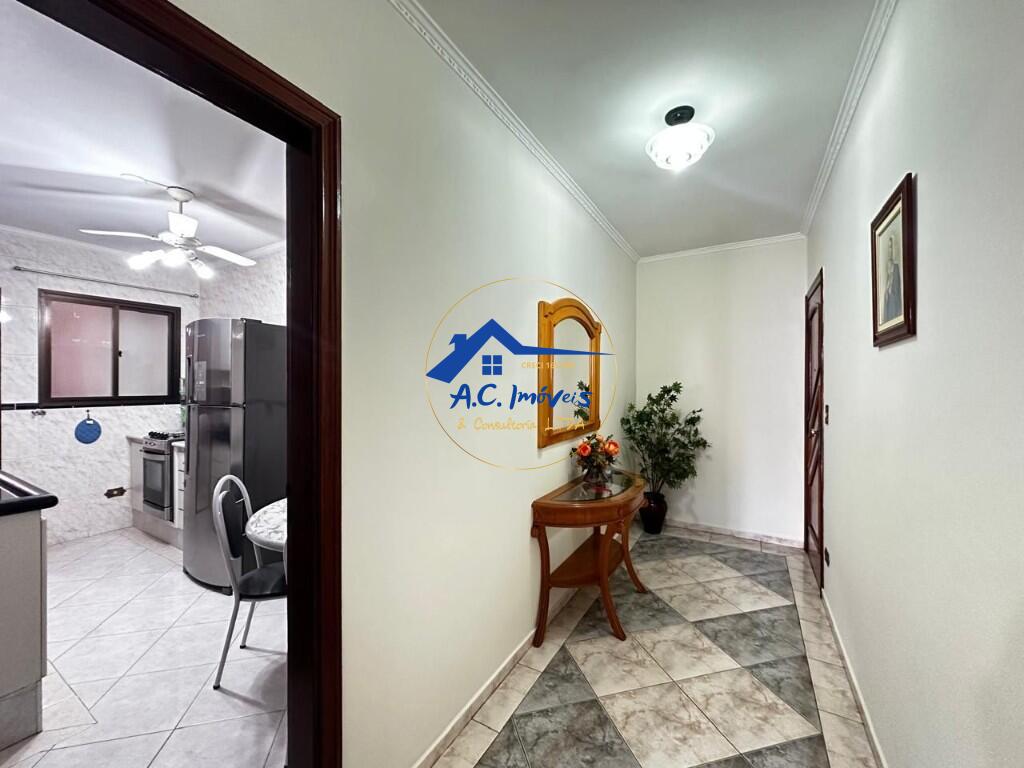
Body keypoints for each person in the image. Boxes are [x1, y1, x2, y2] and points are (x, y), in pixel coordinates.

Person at [882, 233, 902, 323]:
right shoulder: (888, 268)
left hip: (894, 306)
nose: (889, 250)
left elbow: (897, 290)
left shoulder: (896, 267)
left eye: (891, 247)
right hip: (889, 306)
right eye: (889, 247)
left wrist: (891, 292)